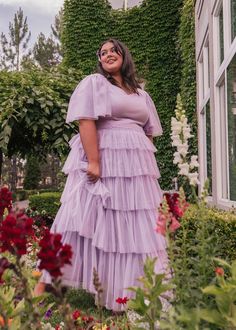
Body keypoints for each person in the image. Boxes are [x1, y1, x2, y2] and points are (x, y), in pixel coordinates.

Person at [34, 38, 168, 311]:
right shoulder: (95, 83)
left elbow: (149, 130)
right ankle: (40, 288)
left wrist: (141, 157)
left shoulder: (141, 94)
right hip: (105, 159)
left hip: (135, 169)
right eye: (102, 52)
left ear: (124, 54)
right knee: (79, 220)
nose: (107, 54)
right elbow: (86, 120)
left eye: (112, 50)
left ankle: (135, 291)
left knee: (133, 229)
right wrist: (94, 161)